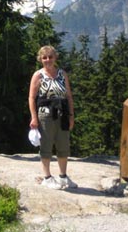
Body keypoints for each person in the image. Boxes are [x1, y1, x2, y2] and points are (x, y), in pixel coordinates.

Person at [28, 45, 77, 190]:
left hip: (62, 113)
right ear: (40, 59)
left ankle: (63, 176)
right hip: (45, 115)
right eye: (44, 57)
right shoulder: (38, 75)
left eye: (50, 57)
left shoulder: (62, 74)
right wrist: (34, 117)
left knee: (63, 145)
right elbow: (31, 98)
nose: (47, 60)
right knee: (46, 145)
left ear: (55, 58)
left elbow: (68, 96)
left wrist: (71, 116)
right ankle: (47, 178)